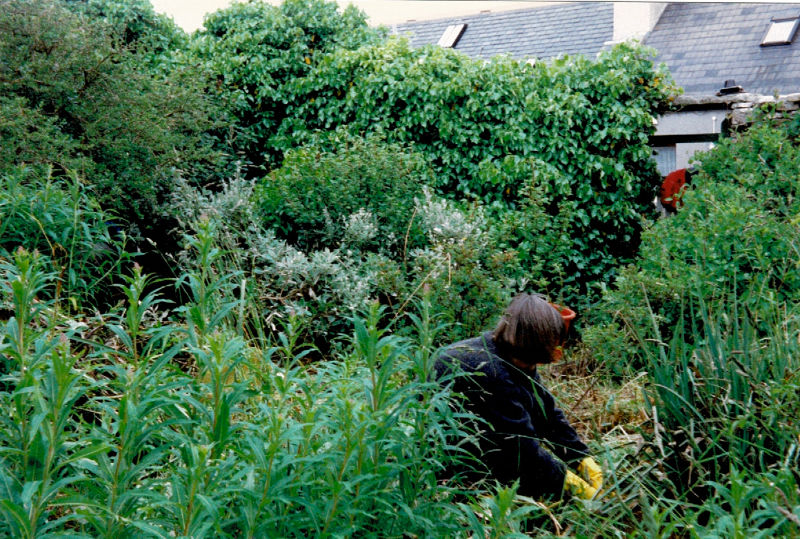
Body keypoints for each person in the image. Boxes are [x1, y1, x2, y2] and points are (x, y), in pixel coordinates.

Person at [434, 293, 602, 501]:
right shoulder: (490, 371)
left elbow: (545, 411)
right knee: (516, 477)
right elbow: (522, 450)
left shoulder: (514, 354)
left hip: (478, 428)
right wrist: (569, 484)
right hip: (446, 455)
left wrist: (580, 458)